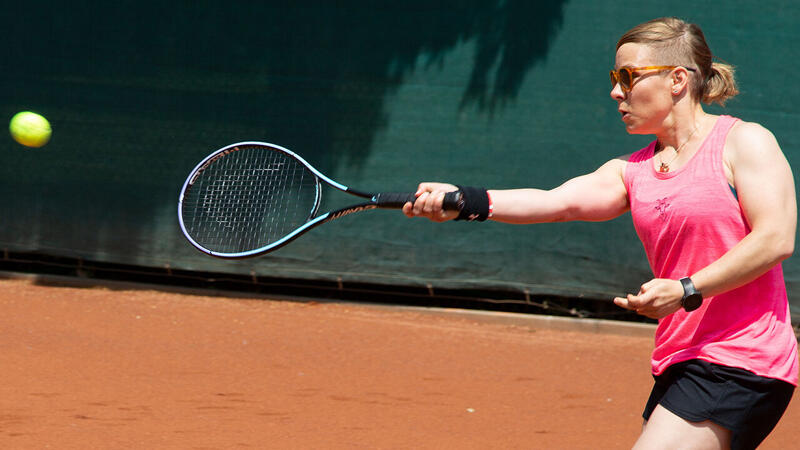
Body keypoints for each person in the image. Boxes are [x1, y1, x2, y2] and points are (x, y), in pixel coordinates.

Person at [402, 17, 798, 450]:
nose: (615, 92)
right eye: (615, 78)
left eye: (627, 77)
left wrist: (687, 288)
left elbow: (775, 238)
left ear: (678, 80)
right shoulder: (632, 171)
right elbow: (556, 202)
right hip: (679, 358)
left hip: (743, 357)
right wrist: (464, 201)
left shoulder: (745, 143)